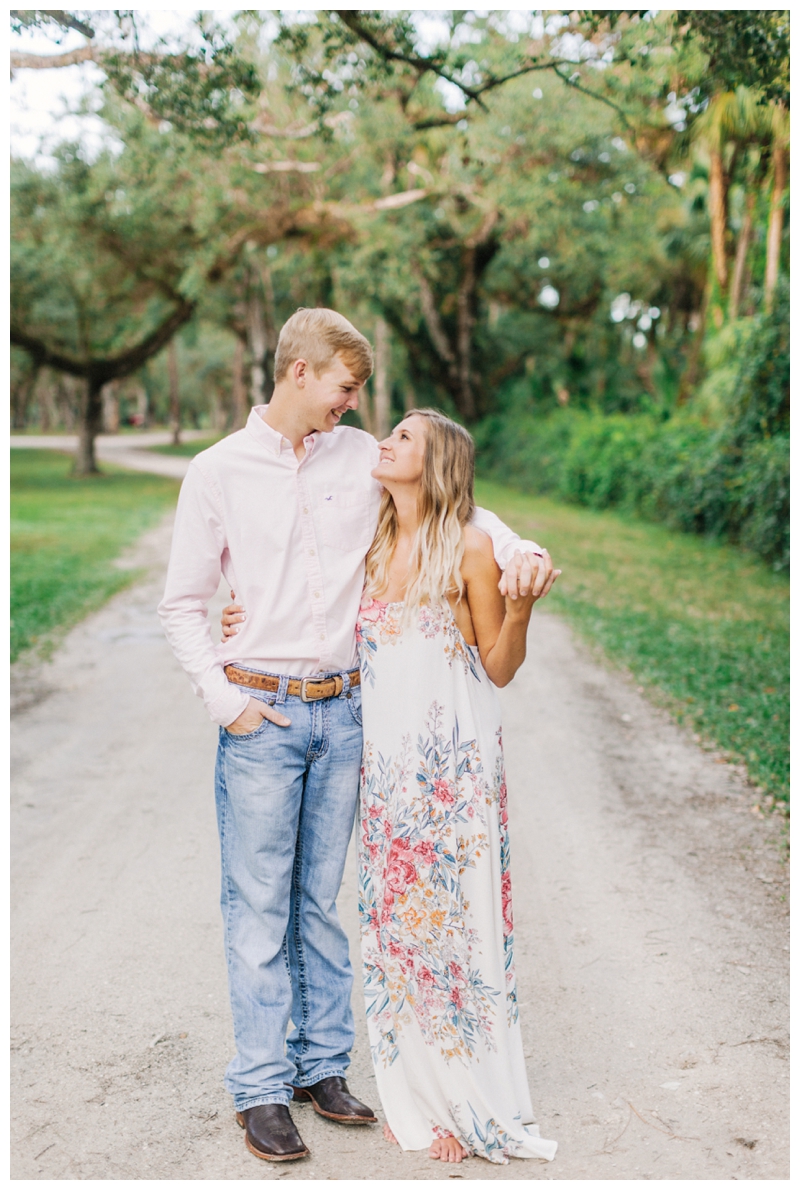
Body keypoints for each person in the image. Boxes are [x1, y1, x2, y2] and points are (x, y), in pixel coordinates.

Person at [158, 307, 558, 1164]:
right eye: (345, 388)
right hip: (261, 712)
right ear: (300, 371)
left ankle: (321, 1067)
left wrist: (523, 546)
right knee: (259, 905)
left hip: (347, 715)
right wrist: (224, 700)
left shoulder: (359, 455)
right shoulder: (217, 471)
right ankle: (261, 1086)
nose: (353, 404)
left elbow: (459, 508)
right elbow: (183, 605)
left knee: (320, 901)